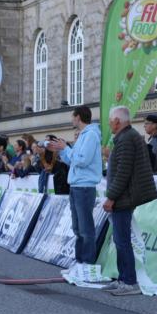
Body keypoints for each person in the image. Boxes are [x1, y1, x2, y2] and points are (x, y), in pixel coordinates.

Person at [102, 106, 157, 296]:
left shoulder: (126, 139)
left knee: (122, 240)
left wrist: (111, 197)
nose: (110, 124)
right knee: (120, 240)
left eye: (110, 121)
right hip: (124, 197)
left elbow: (122, 174)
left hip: (124, 198)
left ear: (117, 121)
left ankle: (129, 282)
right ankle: (123, 279)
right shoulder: (128, 137)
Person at [48, 106, 103, 264]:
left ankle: (87, 263)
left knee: (85, 229)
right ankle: (79, 262)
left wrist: (67, 149)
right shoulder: (83, 136)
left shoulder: (91, 135)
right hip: (77, 186)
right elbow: (73, 161)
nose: (71, 120)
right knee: (78, 229)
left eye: (73, 117)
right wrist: (62, 151)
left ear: (78, 117)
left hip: (84, 187)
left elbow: (82, 160)